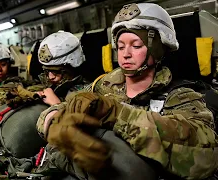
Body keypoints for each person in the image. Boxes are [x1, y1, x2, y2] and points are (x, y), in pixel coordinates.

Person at [37, 3, 218, 180]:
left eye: (136, 45)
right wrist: (53, 121)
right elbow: (58, 109)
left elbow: (205, 153)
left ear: (157, 48)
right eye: (121, 46)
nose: (125, 54)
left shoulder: (180, 96)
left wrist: (118, 114)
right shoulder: (102, 86)